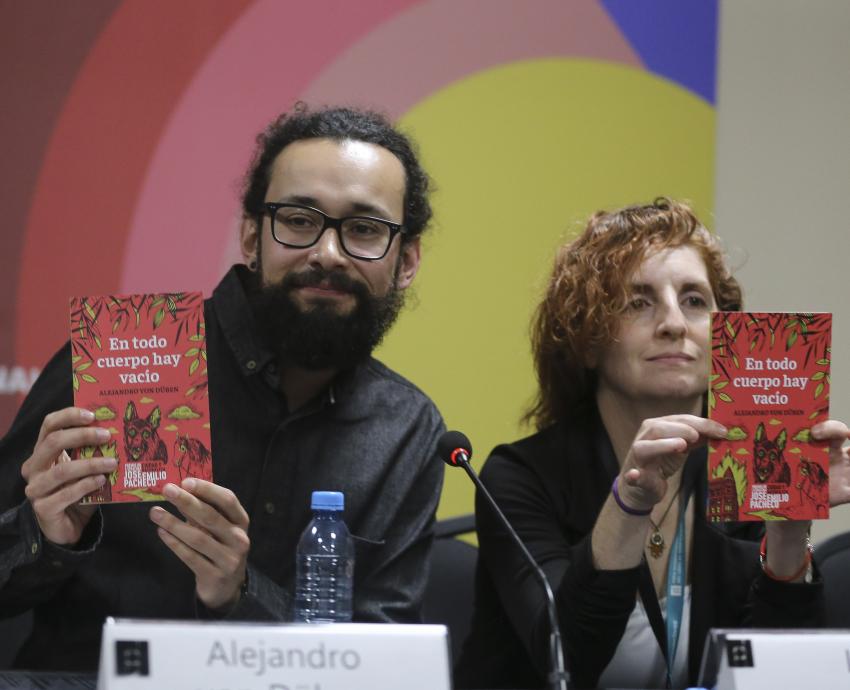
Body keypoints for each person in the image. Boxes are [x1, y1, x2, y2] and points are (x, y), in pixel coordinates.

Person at [0, 104, 445, 671]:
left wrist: (240, 597)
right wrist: (42, 536)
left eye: (363, 229)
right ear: (252, 236)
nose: (327, 253)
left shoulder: (406, 429)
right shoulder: (123, 358)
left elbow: (383, 668)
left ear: (405, 261)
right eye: (299, 220)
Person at [455, 199, 850, 689]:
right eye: (637, 302)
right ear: (589, 339)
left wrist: (790, 528)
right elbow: (566, 659)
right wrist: (631, 501)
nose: (674, 323)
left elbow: (777, 675)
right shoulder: (519, 477)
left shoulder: (747, 471)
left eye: (694, 301)